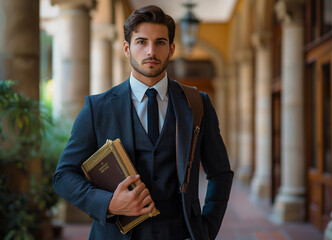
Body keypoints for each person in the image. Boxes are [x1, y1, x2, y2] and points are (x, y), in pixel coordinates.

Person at [53, 5, 233, 240]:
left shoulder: (197, 104)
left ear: (171, 49)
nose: (151, 51)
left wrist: (205, 230)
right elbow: (64, 176)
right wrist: (109, 203)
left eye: (160, 42)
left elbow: (220, 173)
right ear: (127, 48)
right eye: (141, 42)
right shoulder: (97, 108)